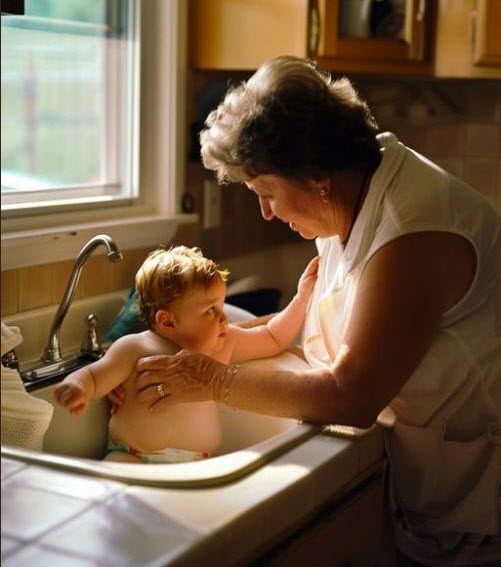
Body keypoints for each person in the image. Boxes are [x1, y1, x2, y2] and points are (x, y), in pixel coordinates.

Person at [130, 57, 500, 566]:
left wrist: (213, 380)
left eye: (266, 193)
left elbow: (352, 395)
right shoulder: (350, 196)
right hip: (430, 481)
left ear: (315, 177)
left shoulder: (414, 232)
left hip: (482, 500)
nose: (265, 211)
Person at [54, 245, 319, 464]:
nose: (224, 317)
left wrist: (302, 298)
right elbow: (94, 375)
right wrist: (77, 388)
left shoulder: (224, 343)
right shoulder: (134, 348)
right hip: (134, 457)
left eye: (221, 304)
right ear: (167, 322)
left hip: (198, 463)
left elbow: (273, 337)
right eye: (210, 310)